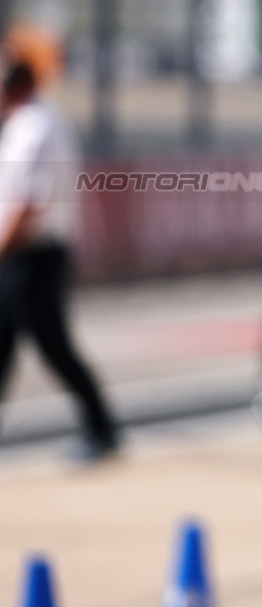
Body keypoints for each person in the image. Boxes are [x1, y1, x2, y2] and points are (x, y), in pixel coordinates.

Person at [0, 59, 117, 460]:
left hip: (31, 257)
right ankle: (101, 428)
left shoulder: (36, 128)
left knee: (53, 346)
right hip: (23, 255)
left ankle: (101, 428)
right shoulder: (28, 124)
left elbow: (27, 205)